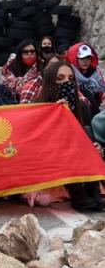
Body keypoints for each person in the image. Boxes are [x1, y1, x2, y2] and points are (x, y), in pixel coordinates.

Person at [36, 61, 103, 211]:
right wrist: (54, 113)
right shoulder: (39, 107)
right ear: (50, 82)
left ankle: (93, 190)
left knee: (87, 141)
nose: (66, 82)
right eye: (60, 79)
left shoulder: (82, 107)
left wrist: (95, 147)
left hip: (75, 157)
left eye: (70, 79)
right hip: (49, 160)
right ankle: (78, 193)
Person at [66, 43, 105, 116]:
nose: (85, 61)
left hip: (98, 110)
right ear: (76, 59)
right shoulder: (70, 74)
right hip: (79, 111)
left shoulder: (96, 73)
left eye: (88, 58)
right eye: (82, 58)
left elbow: (103, 91)